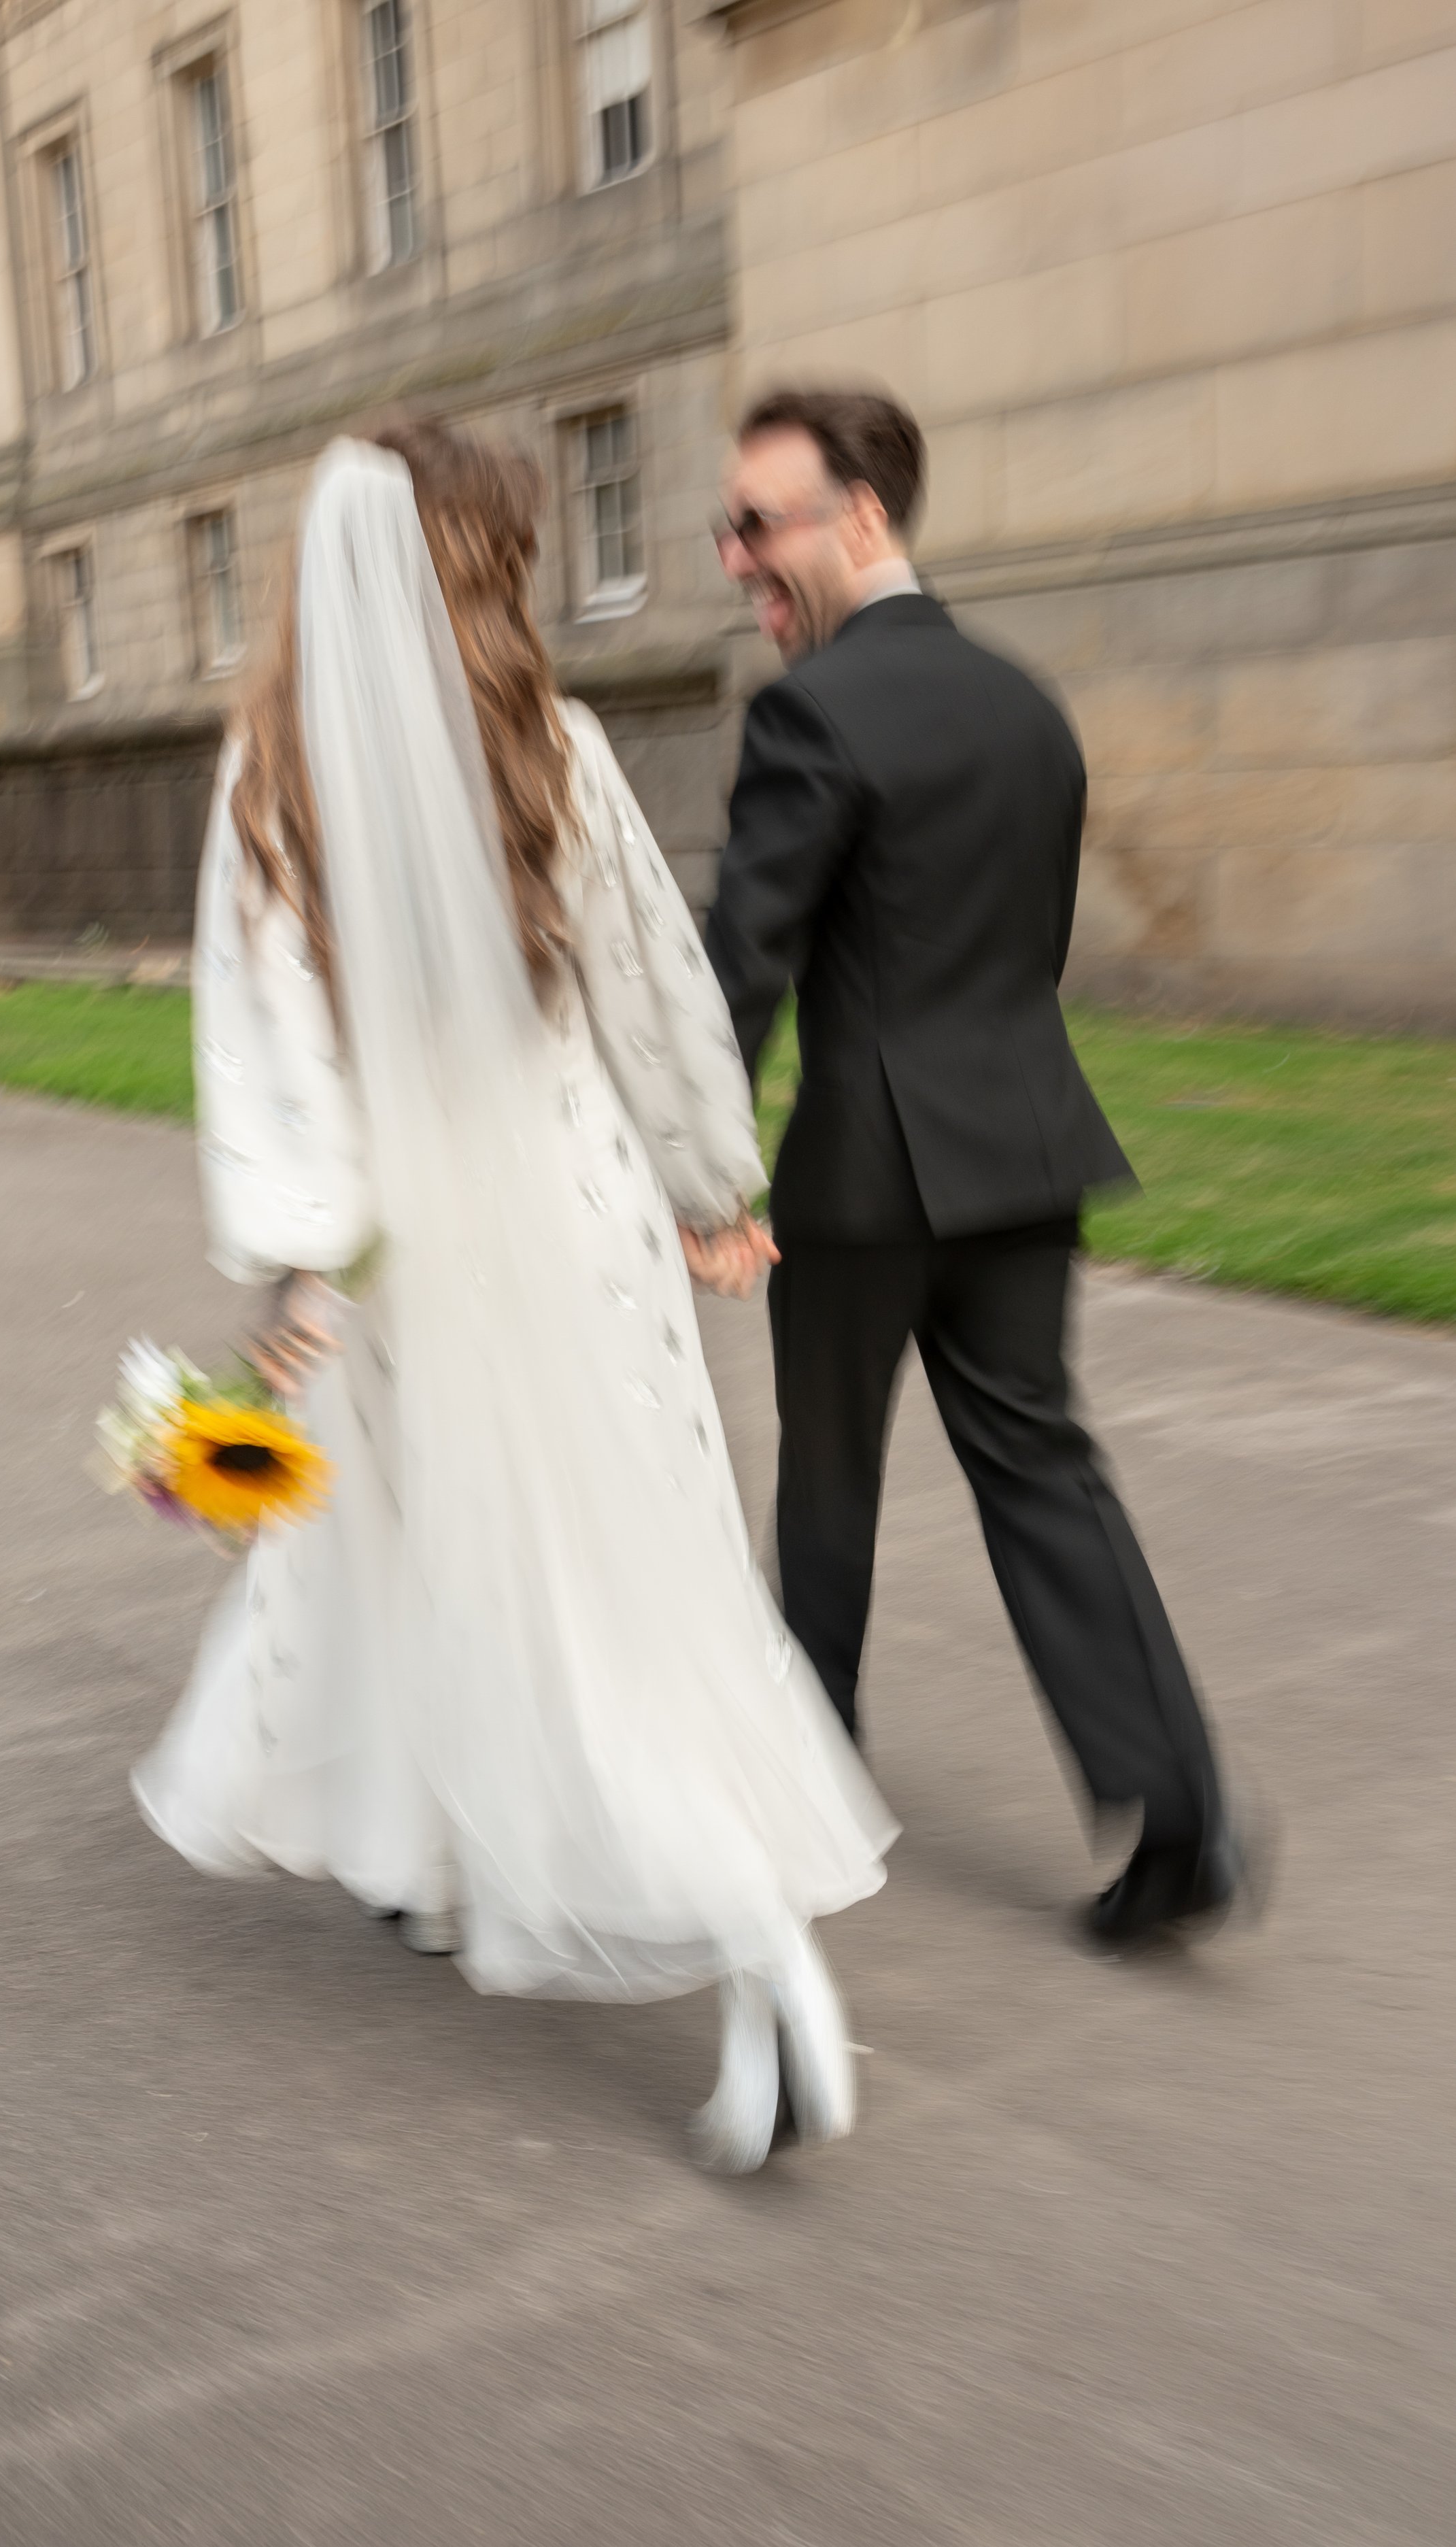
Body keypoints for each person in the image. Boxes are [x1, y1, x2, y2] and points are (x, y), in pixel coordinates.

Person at [132, 422, 896, 2173]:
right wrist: (712, 1177)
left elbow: (275, 1057)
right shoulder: (551, 739)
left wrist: (306, 1271)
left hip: (417, 1258)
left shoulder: (274, 773)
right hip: (579, 1214)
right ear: (483, 565)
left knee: (491, 1581)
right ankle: (492, 1871)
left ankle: (749, 1929)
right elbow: (647, 977)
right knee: (634, 1568)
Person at [704, 386, 1257, 1949]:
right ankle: (1183, 1809)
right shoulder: (1027, 704)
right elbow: (1027, 948)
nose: (738, 560)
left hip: (866, 1174)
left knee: (827, 1488)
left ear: (860, 514)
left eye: (760, 524)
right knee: (1041, 1470)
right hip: (1023, 1147)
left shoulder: (805, 715)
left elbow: (741, 968)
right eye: (725, 530)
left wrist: (684, 1156)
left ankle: (801, 1807)